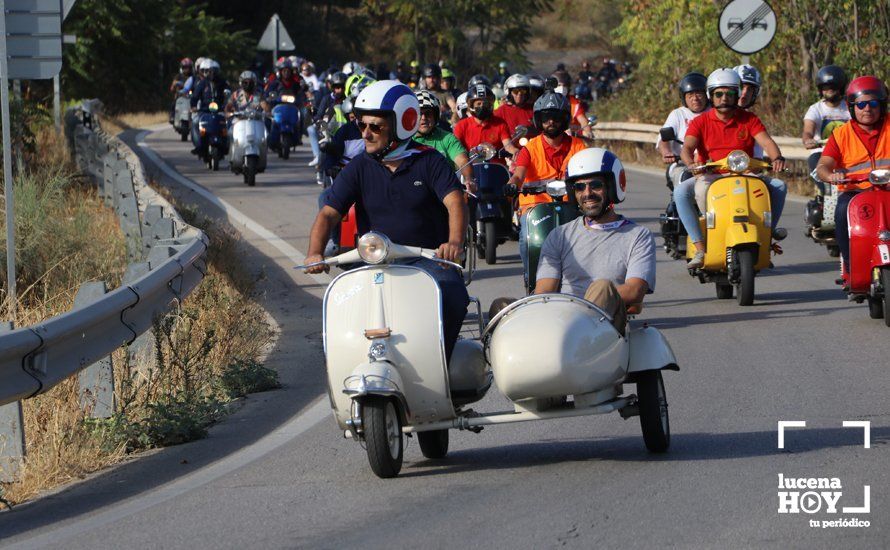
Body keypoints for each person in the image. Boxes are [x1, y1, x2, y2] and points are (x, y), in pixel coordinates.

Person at [304, 80, 469, 361]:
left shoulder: (429, 161)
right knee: (341, 307)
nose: (366, 134)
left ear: (401, 125)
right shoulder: (359, 166)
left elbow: (455, 201)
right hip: (373, 260)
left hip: (426, 259)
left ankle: (444, 365)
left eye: (375, 127)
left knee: (453, 294)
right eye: (362, 126)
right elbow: (329, 213)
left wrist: (453, 243)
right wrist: (314, 253)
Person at [534, 148, 655, 334]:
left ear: (612, 187)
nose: (587, 193)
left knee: (602, 287)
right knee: (502, 308)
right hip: (560, 325)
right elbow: (544, 293)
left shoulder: (639, 235)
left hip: (606, 331)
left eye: (595, 185)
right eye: (579, 187)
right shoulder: (559, 235)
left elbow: (634, 290)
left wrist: (585, 303)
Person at [676, 68, 787, 269]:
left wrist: (776, 157)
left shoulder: (749, 119)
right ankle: (700, 246)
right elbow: (687, 148)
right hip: (711, 174)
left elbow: (767, 142)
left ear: (737, 95)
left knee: (778, 186)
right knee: (684, 192)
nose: (724, 98)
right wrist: (691, 164)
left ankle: (768, 234)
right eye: (719, 94)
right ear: (711, 95)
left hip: (746, 173)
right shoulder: (700, 121)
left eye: (730, 93)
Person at [505, 92, 588, 277]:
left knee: (590, 240)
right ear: (538, 120)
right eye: (546, 118)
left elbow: (589, 175)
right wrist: (511, 184)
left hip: (572, 206)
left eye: (556, 117)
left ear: (565, 119)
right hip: (535, 208)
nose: (551, 122)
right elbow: (518, 174)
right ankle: (532, 281)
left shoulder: (579, 146)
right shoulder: (530, 148)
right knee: (529, 242)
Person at [816, 76, 889, 273]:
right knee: (841, 213)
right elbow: (823, 165)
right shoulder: (841, 135)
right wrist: (831, 176)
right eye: (861, 104)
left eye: (873, 103)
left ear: (882, 105)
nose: (867, 109)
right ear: (851, 107)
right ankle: (850, 264)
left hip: (888, 190)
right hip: (856, 193)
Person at [656, 72, 710, 188]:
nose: (695, 98)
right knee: (684, 180)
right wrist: (667, 152)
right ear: (683, 98)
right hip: (683, 164)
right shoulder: (678, 114)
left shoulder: (715, 113)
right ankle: (680, 204)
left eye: (699, 94)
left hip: (712, 164)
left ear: (707, 95)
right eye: (690, 95)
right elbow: (663, 139)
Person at [413, 90, 475, 190]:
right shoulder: (403, 139)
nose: (423, 118)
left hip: (444, 191)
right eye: (419, 114)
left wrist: (469, 179)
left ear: (436, 116)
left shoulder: (447, 138)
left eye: (428, 114)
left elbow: (463, 161)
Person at [802, 65, 850, 191]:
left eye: (832, 87)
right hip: (822, 152)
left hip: (846, 153)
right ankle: (825, 195)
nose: (828, 90)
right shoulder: (815, 109)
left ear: (841, 87)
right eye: (825, 87)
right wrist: (808, 140)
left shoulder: (850, 108)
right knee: (818, 166)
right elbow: (808, 130)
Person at [453, 83, 518, 166]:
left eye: (485, 103)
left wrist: (516, 152)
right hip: (471, 170)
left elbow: (508, 146)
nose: (482, 106)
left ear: (491, 105)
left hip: (497, 169)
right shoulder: (461, 125)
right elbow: (456, 151)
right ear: (471, 106)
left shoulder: (500, 123)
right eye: (478, 104)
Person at [308, 71, 348, 166]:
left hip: (346, 130)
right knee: (318, 137)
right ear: (332, 88)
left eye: (342, 87)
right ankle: (319, 162)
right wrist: (319, 121)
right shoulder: (327, 99)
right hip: (328, 131)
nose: (339, 90)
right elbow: (319, 115)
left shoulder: (349, 99)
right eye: (337, 87)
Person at [551, 70, 594, 139]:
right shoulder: (547, 102)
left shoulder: (574, 103)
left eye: (564, 85)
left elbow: (583, 120)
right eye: (559, 85)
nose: (562, 88)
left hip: (573, 137)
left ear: (568, 86)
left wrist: (588, 132)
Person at [169, 57, 193, 123]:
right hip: (180, 95)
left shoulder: (193, 76)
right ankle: (172, 115)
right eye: (185, 67)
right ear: (182, 68)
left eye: (188, 67)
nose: (187, 69)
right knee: (174, 102)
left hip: (191, 94)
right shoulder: (178, 76)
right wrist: (175, 85)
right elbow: (172, 87)